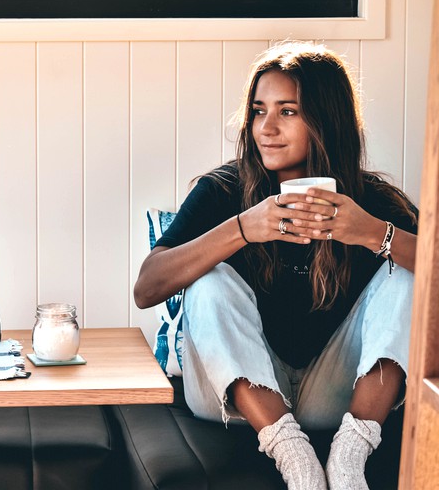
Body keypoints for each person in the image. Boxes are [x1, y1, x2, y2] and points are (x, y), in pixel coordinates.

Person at [134, 41, 418, 490]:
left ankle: (349, 457)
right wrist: (242, 229)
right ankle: (296, 459)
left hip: (337, 396)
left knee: (406, 269)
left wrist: (371, 233)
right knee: (209, 280)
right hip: (236, 396)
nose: (266, 127)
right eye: (258, 109)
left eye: (287, 111)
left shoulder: (372, 203)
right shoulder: (222, 191)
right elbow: (146, 289)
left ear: (326, 121)